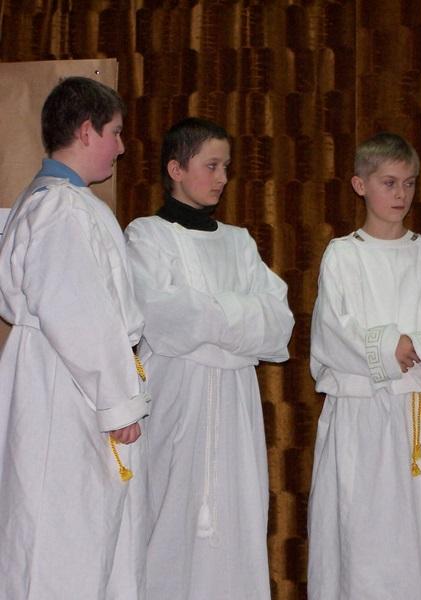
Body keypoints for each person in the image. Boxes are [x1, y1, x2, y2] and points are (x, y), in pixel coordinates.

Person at [125, 117, 294, 600]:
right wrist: (237, 319)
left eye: (226, 167)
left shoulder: (239, 242)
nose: (222, 178)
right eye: (212, 166)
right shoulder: (146, 236)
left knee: (236, 516)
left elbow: (277, 323)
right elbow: (162, 316)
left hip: (234, 408)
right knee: (168, 515)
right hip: (175, 401)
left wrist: (208, 318)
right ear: (176, 168)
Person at [0, 76, 148, 599]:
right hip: (65, 388)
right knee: (60, 540)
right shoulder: (61, 208)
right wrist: (118, 402)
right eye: (115, 132)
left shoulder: (49, 200)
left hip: (61, 378)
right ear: (86, 131)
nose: (121, 147)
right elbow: (79, 314)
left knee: (78, 534)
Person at [307, 132, 421, 599]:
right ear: (360, 185)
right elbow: (332, 329)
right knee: (364, 541)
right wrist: (386, 347)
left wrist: (417, 348)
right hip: (363, 419)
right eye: (389, 183)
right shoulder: (344, 254)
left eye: (409, 183)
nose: (401, 194)